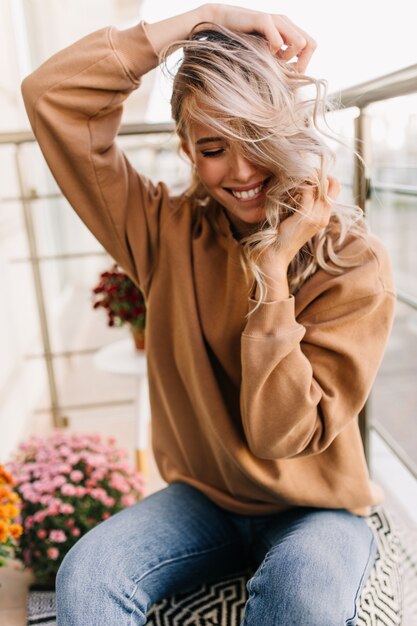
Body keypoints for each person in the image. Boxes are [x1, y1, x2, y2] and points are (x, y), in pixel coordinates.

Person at [21, 4, 396, 625]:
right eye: (216, 148)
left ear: (288, 130)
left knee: (303, 597)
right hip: (201, 504)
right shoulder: (162, 232)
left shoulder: (352, 262)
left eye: (257, 141)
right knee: (85, 578)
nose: (243, 172)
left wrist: (272, 272)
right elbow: (51, 96)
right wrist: (200, 20)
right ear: (188, 150)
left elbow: (283, 436)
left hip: (318, 510)